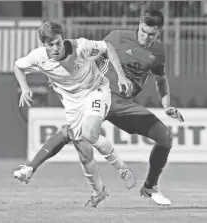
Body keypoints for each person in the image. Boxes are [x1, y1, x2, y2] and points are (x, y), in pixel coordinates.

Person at [13, 9, 185, 206]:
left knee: (165, 138)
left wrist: (167, 105)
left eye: (152, 34)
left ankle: (149, 187)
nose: (146, 37)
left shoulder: (157, 52)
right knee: (75, 136)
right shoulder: (118, 37)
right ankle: (32, 168)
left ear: (159, 32)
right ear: (139, 25)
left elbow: (160, 79)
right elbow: (96, 55)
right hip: (100, 93)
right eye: (143, 31)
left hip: (124, 105)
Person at [13, 21, 137, 208]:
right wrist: (24, 88)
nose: (55, 48)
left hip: (96, 91)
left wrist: (121, 76)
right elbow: (18, 67)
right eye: (50, 44)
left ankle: (123, 169)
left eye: (58, 43)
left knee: (90, 133)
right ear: (43, 45)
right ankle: (98, 192)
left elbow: (108, 47)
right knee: (85, 155)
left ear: (63, 40)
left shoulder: (81, 47)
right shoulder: (38, 57)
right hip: (72, 103)